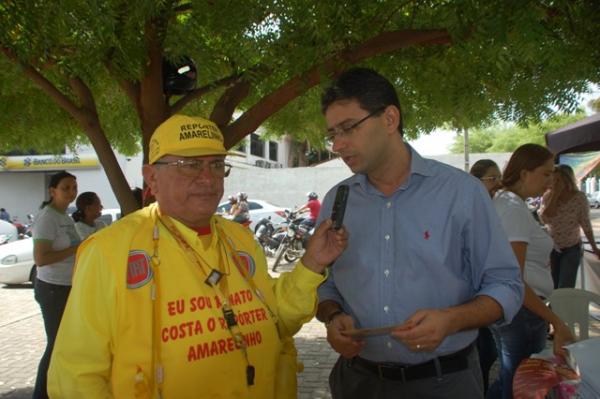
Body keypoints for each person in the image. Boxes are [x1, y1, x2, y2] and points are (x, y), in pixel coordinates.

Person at [48, 114, 348, 398]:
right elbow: (75, 376)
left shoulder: (239, 239)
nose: (207, 178)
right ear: (151, 177)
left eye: (216, 165)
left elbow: (276, 321)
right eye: (189, 165)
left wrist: (311, 264)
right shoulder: (110, 250)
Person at [315, 67, 524, 399]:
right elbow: (325, 283)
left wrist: (451, 320)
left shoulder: (462, 193)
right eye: (332, 134)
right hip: (359, 382)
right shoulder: (337, 201)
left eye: (348, 128)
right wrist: (333, 316)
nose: (338, 144)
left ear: (389, 119)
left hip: (446, 382)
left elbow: (507, 286)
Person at [489, 144, 575, 399]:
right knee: (521, 385)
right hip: (523, 311)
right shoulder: (513, 208)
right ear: (525, 173)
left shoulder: (508, 201)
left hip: (520, 309)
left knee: (512, 379)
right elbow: (514, 278)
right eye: (546, 174)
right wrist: (555, 320)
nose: (550, 182)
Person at [31, 170, 80, 399]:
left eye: (74, 188)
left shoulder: (65, 216)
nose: (71, 192)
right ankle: (42, 394)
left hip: (66, 286)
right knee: (55, 346)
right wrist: (77, 249)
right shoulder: (47, 217)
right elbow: (41, 258)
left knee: (66, 344)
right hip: (52, 288)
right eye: (66, 188)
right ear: (53, 191)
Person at [469, 159, 502, 394]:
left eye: (499, 178)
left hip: (487, 296)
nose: (498, 183)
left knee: (487, 351)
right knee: (484, 351)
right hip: (473, 297)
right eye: (493, 179)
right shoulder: (470, 209)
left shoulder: (499, 206)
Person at [540, 164, 600, 288]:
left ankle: (564, 307)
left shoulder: (579, 197)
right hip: (552, 247)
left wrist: (594, 247)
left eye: (558, 180)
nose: (554, 183)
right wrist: (555, 195)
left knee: (565, 285)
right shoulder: (548, 196)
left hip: (571, 247)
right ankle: (552, 308)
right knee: (552, 286)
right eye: (553, 180)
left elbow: (586, 224)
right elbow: (545, 219)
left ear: (567, 180)